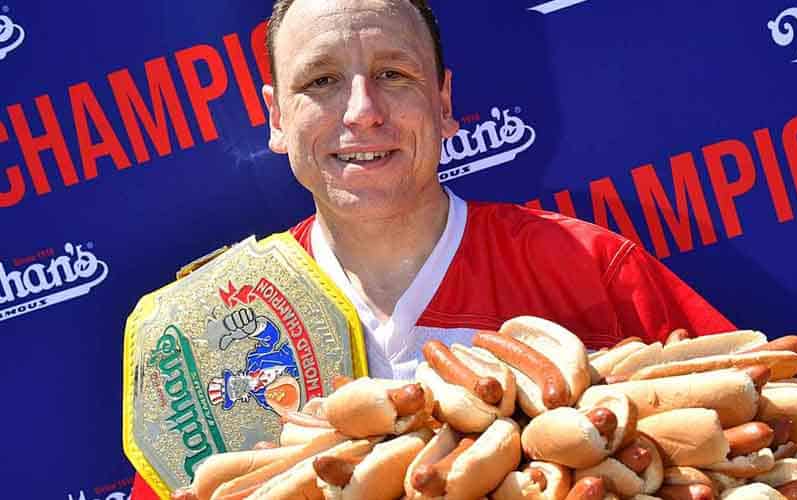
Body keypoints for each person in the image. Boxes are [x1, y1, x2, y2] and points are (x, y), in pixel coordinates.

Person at [131, 0, 735, 497]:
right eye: (321, 81)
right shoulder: (203, 329)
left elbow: (757, 428)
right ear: (277, 119)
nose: (363, 112)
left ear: (444, 103)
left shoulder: (585, 266)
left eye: (394, 74)